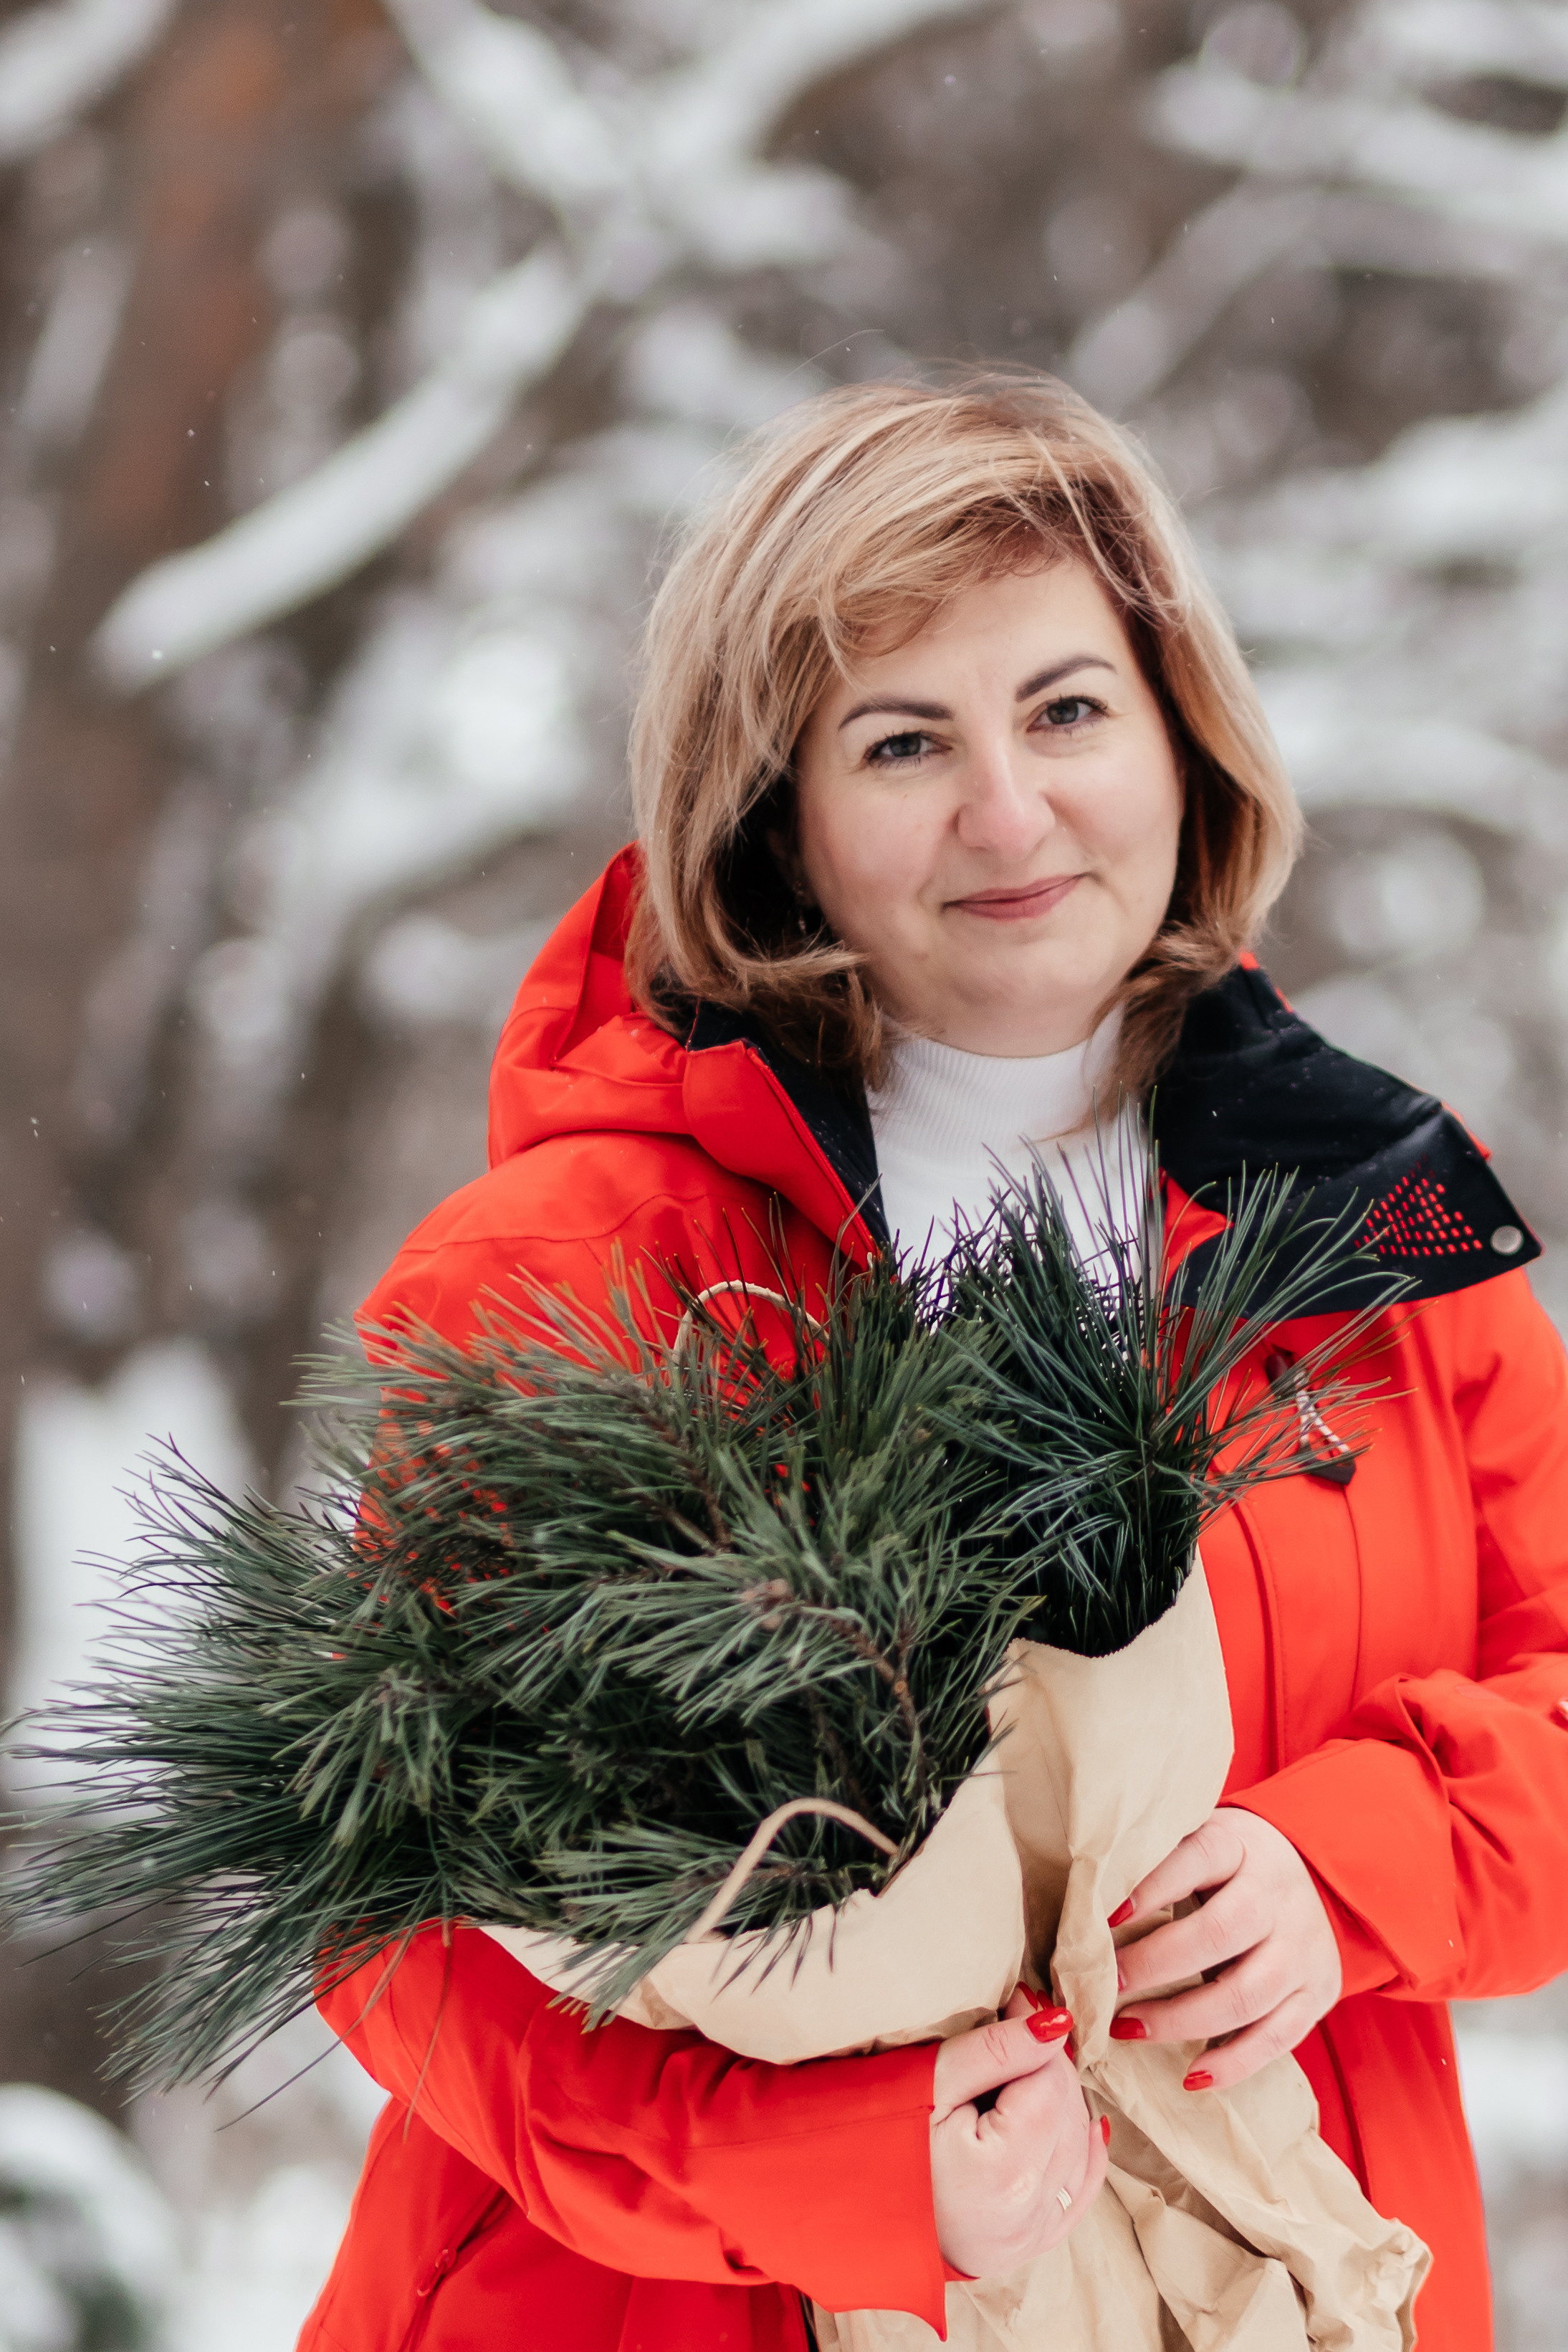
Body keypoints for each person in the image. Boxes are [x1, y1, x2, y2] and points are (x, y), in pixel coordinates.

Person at [298, 376, 1568, 2352]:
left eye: (1066, 708)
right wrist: (822, 2163)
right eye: (904, 741)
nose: (1007, 809)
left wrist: (1358, 1867)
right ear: (776, 816)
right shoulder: (569, 1277)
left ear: (1178, 732)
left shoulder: (1371, 1215)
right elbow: (397, 1914)